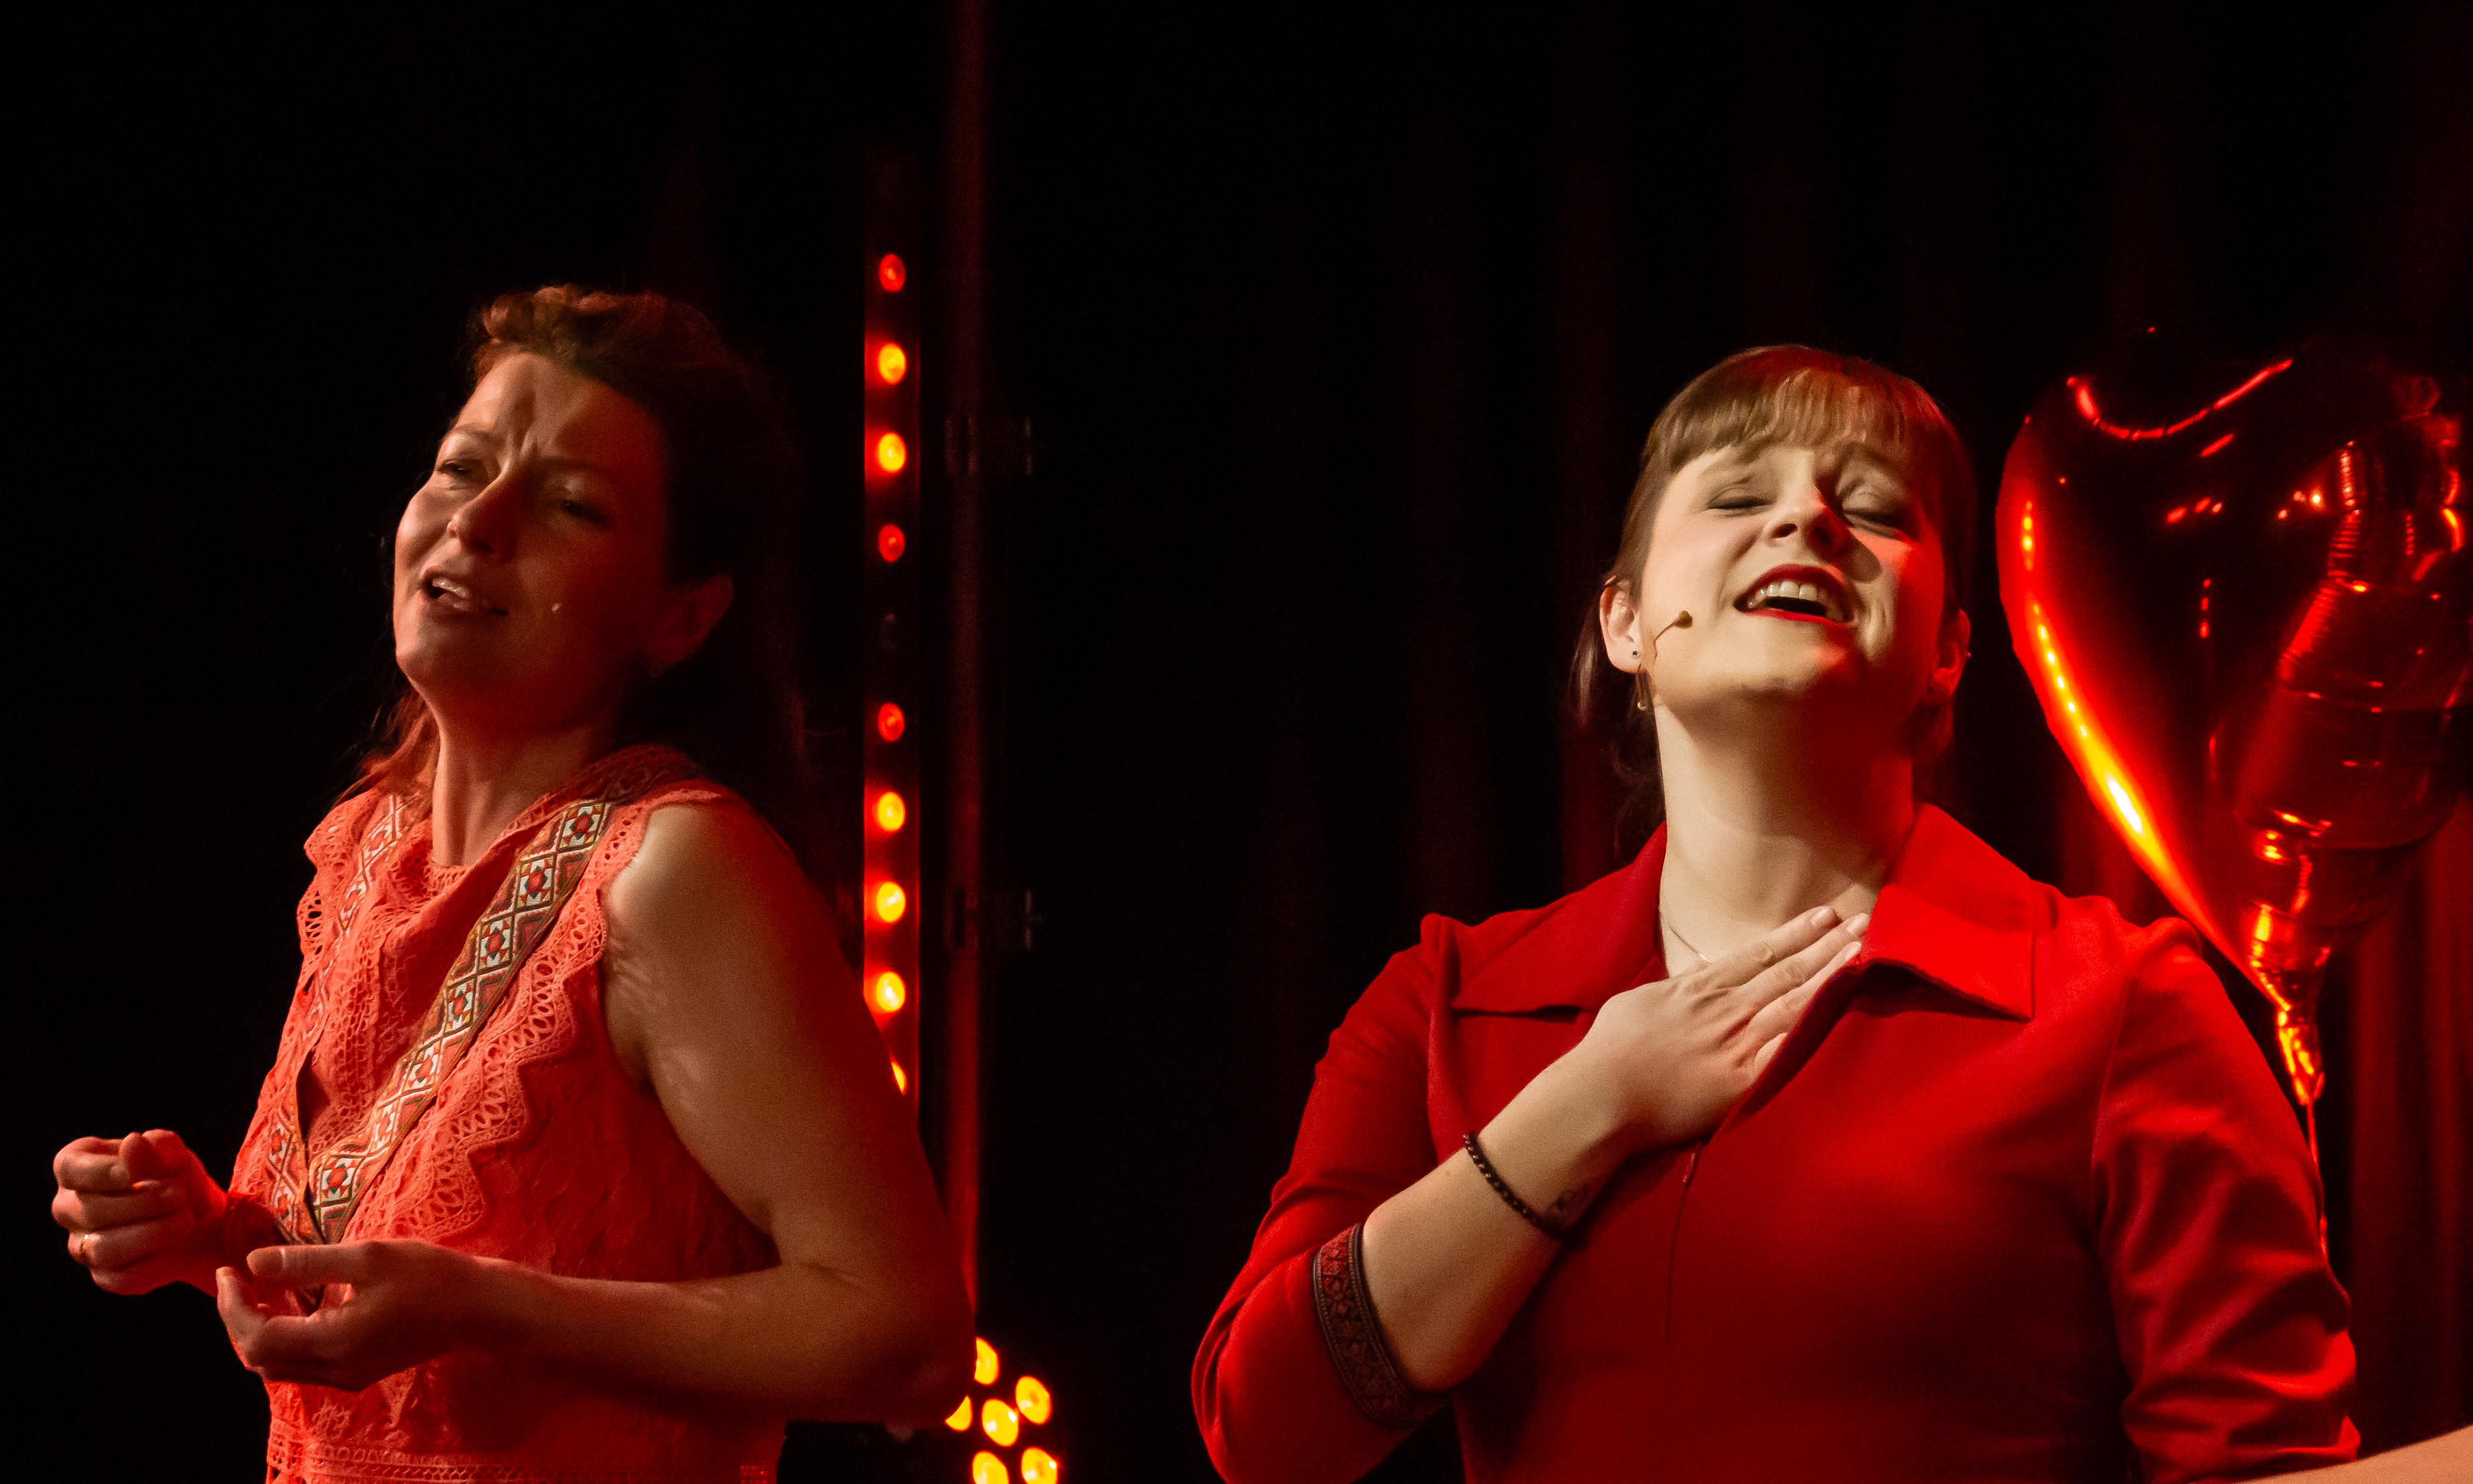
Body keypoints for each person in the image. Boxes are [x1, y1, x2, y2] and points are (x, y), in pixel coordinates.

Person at [1193, 347, 2358, 1483]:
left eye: (1877, 511)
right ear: (1626, 624)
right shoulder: (1450, 998)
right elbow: (1267, 1433)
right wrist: (1591, 1100)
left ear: (1951, 650)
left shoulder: (2122, 1004)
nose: (1807, 519)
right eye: (1740, 496)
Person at [51, 287, 975, 1483]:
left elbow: (908, 1340)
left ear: (682, 615)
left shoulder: (675, 866)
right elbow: (395, 1308)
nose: (479, 521)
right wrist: (214, 1236)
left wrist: (489, 1305)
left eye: (570, 504)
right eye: (459, 468)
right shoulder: (369, 849)